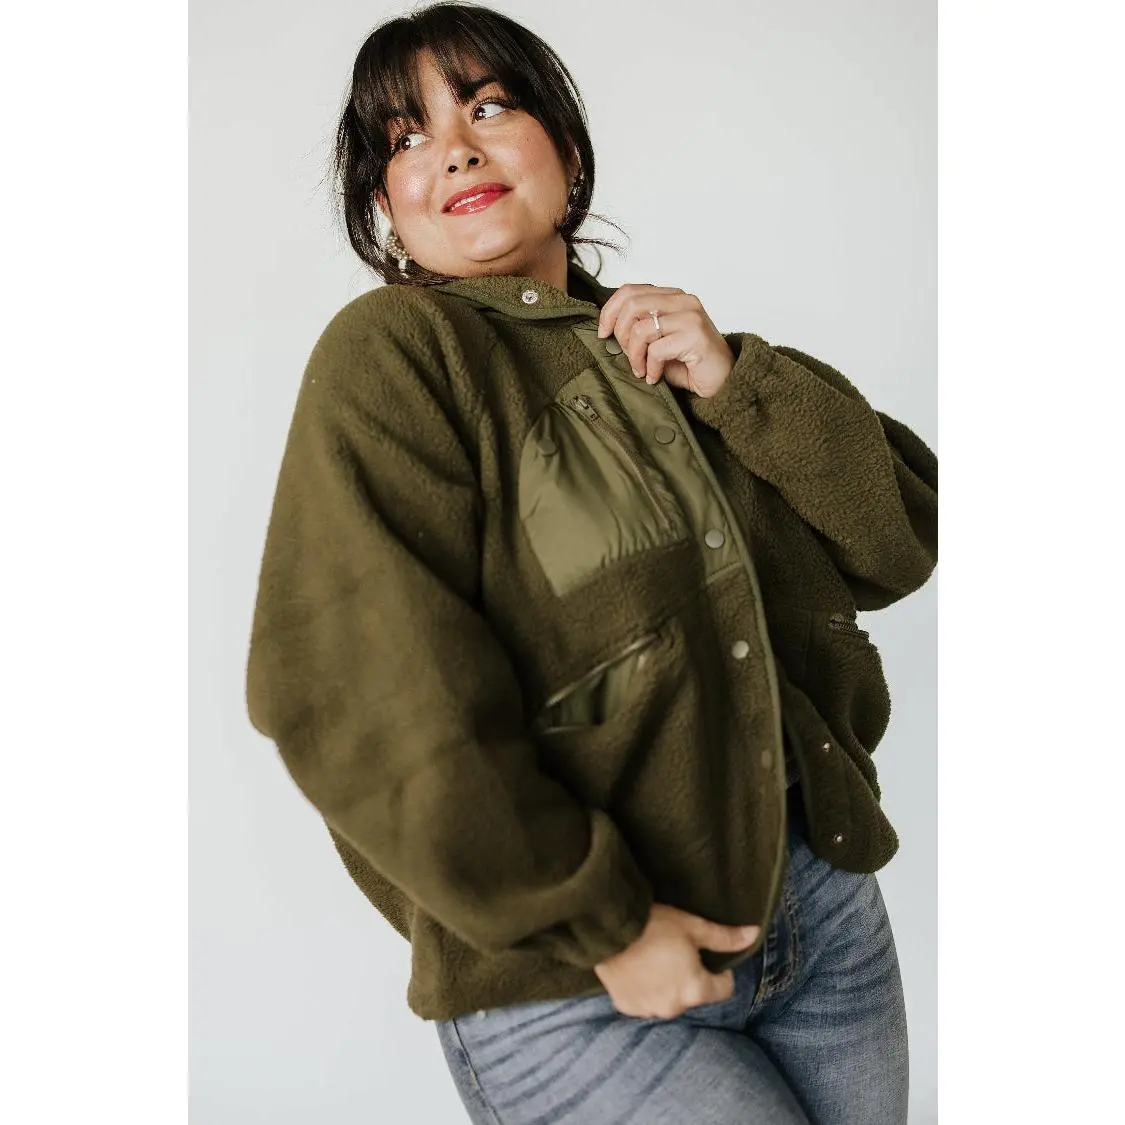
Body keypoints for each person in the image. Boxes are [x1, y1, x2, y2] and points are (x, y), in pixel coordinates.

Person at [244, 3, 938, 1122]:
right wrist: (600, 923)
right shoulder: (396, 355)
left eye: (487, 108)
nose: (454, 148)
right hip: (578, 985)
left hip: (819, 910)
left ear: (566, 151)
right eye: (406, 136)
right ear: (384, 206)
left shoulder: (664, 348)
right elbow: (358, 692)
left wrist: (739, 382)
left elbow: (899, 538)